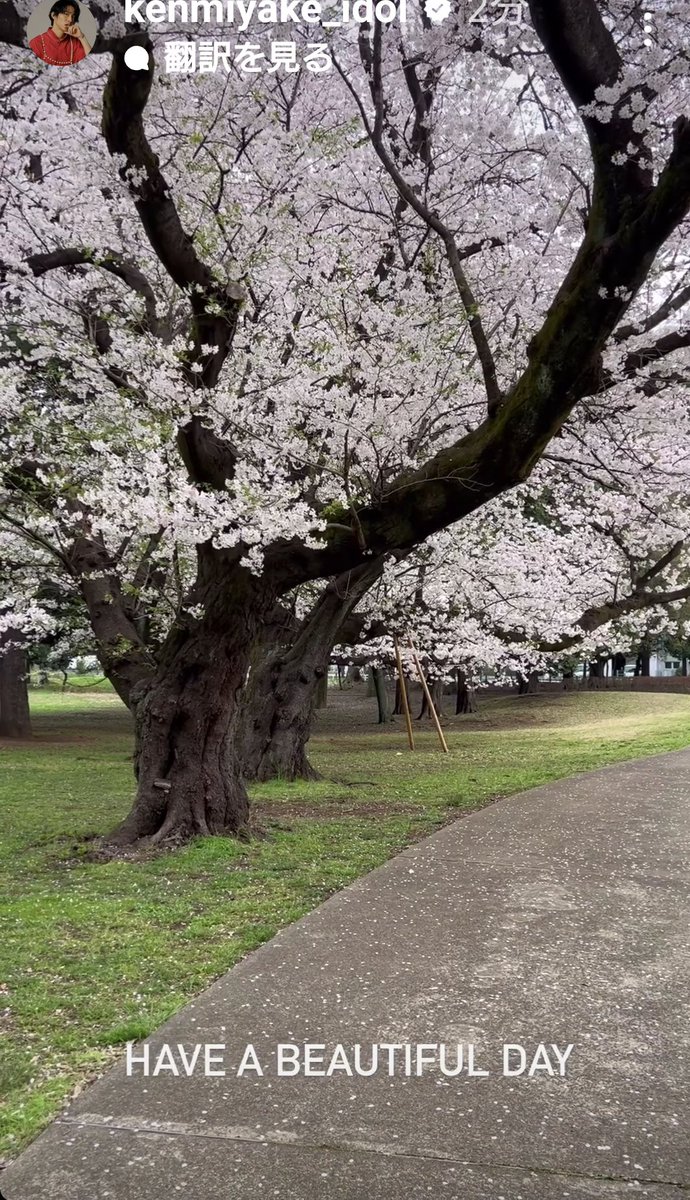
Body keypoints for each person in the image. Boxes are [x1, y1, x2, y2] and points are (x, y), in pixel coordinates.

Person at [29, 0, 91, 65]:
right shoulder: (36, 42)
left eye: (73, 16)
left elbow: (91, 64)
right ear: (53, 15)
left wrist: (82, 37)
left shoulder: (75, 43)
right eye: (66, 14)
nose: (70, 20)